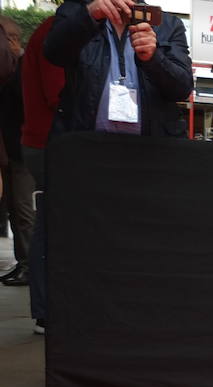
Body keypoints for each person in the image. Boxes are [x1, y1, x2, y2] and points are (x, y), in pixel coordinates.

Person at [44, 0, 192, 138]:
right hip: (85, 144)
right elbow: (54, 53)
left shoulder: (168, 25)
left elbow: (182, 88)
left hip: (151, 149)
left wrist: (153, 58)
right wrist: (88, 16)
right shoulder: (76, 11)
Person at [20, 14, 61, 332]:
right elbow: (57, 93)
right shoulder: (57, 29)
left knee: (51, 224)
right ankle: (46, 309)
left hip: (46, 140)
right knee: (52, 226)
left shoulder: (52, 28)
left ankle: (47, 308)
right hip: (49, 142)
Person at [0, 16, 31, 286]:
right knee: (14, 208)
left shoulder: (20, 67)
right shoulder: (10, 68)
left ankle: (29, 265)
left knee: (23, 211)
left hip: (21, 147)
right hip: (10, 148)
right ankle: (22, 262)